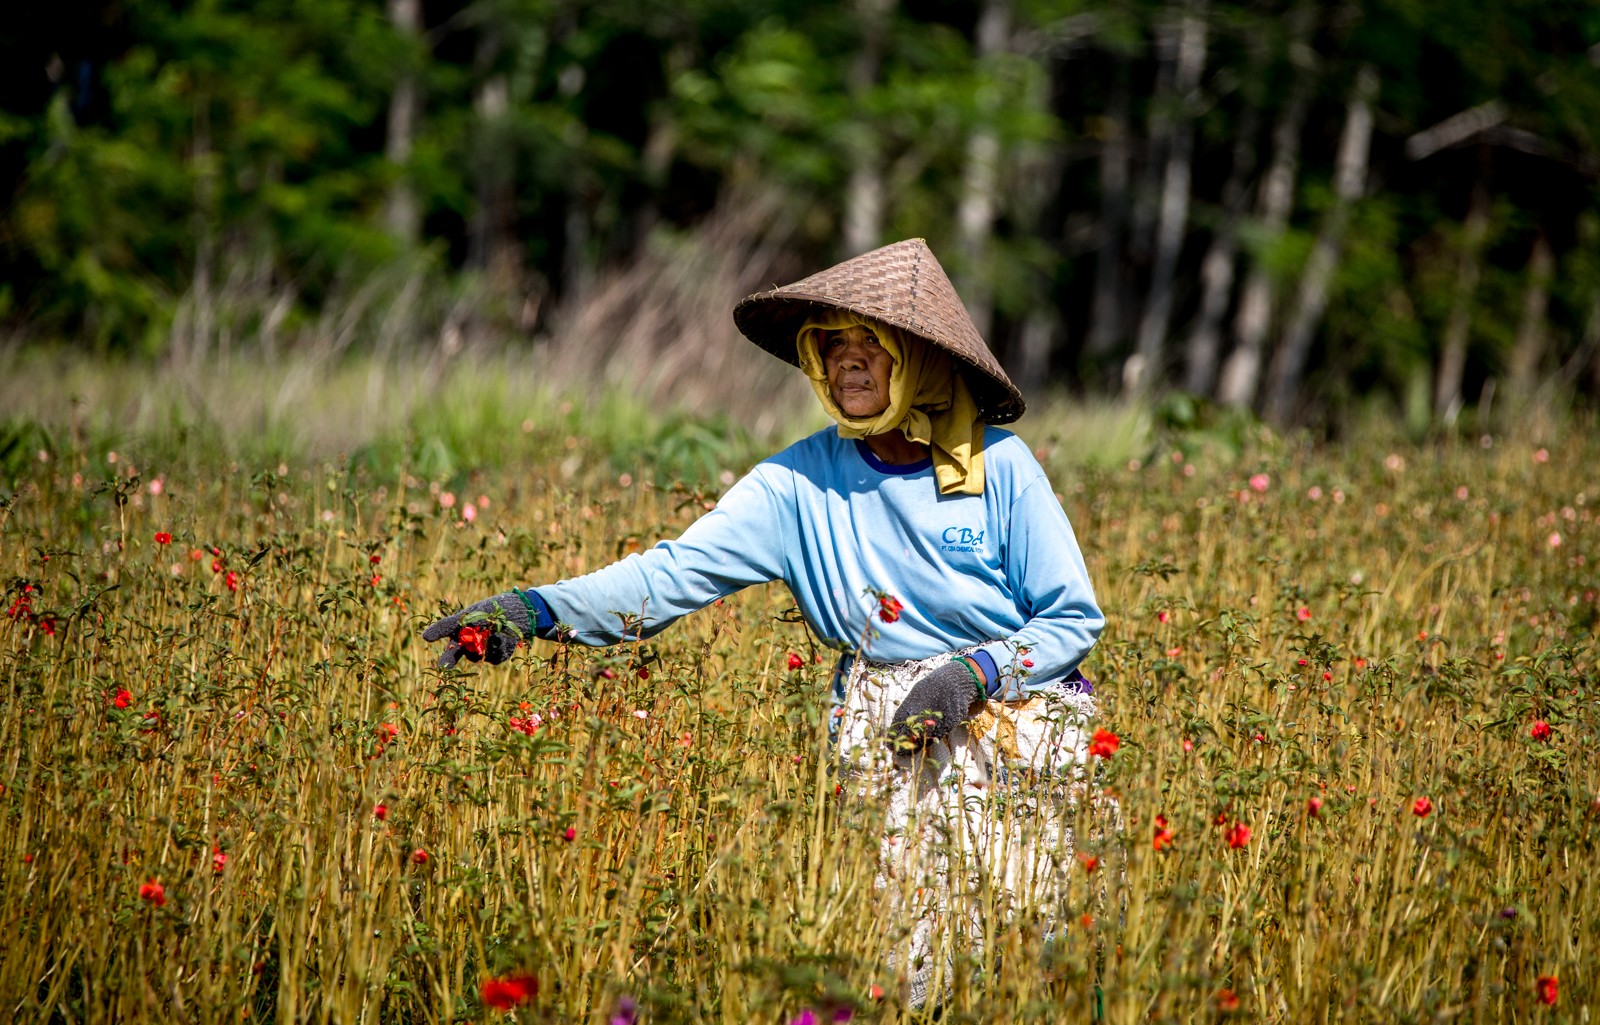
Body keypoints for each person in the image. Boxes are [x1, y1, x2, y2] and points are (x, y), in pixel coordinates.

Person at [422, 238, 1104, 1004]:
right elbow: (668, 574)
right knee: (908, 962)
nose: (848, 364)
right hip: (890, 729)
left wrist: (975, 673)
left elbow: (1071, 616)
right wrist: (536, 608)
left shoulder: (1001, 467)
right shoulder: (794, 484)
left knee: (1024, 955)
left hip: (1017, 717)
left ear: (917, 358)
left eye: (869, 348)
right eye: (832, 347)